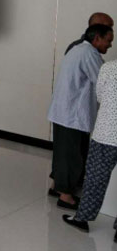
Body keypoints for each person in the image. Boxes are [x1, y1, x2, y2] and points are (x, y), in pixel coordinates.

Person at [48, 24, 114, 209]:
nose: (110, 45)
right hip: (73, 115)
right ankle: (66, 197)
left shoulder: (77, 49)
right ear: (97, 38)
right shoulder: (89, 54)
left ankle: (56, 188)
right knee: (72, 156)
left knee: (62, 154)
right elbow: (103, 82)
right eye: (108, 40)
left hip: (63, 112)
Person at [63, 59, 117, 242]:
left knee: (95, 178)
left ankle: (82, 218)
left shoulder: (109, 67)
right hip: (107, 134)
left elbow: (100, 95)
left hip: (106, 134)